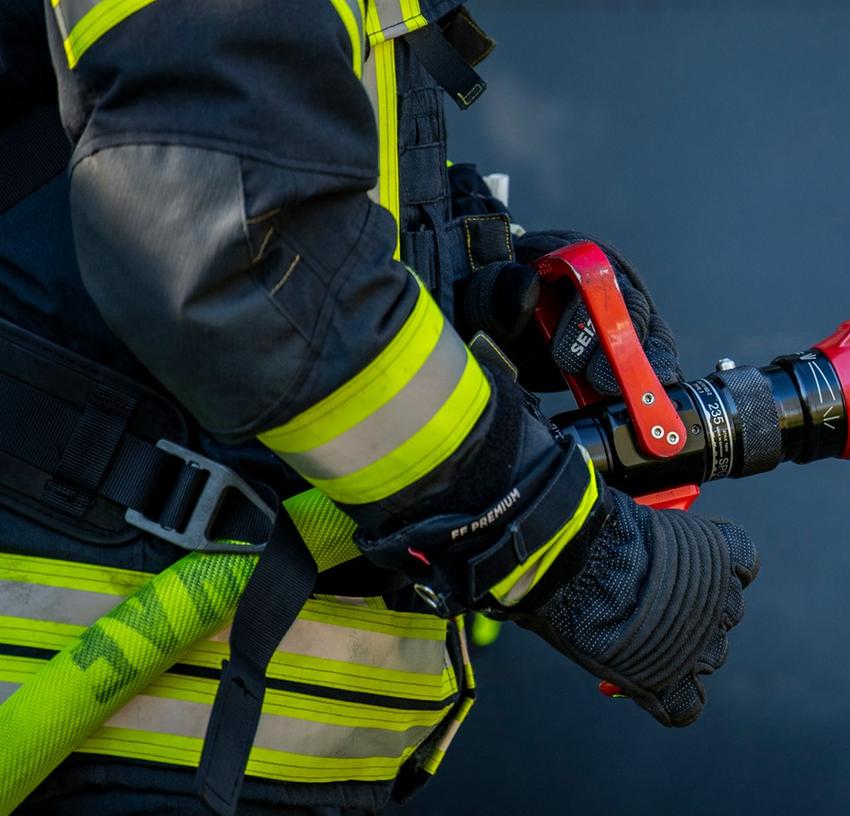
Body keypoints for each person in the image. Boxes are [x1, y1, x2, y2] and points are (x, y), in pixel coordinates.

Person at [0, 0, 759, 813]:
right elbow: (235, 258)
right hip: (102, 727)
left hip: (193, 741)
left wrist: (461, 288)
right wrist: (569, 548)